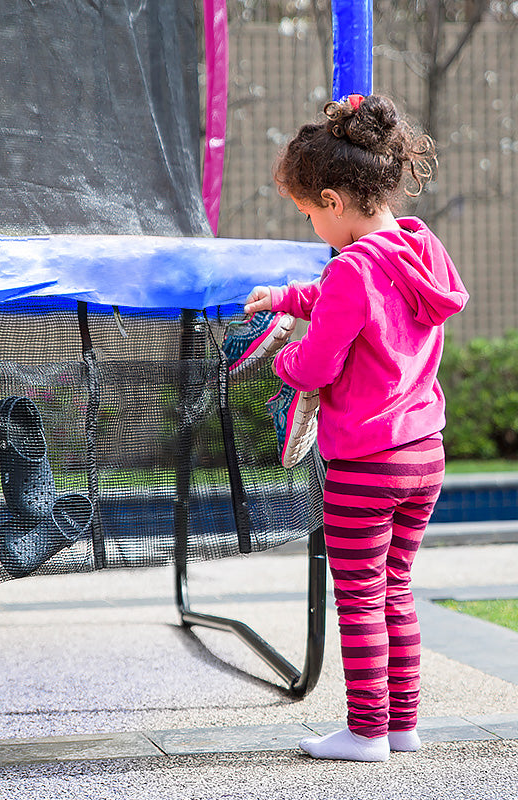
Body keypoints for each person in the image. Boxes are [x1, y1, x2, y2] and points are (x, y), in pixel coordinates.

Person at [238, 94, 469, 761]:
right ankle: (402, 726)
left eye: (308, 213)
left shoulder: (349, 271)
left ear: (334, 201)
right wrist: (288, 296)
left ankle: (365, 732)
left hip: (366, 461)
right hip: (424, 452)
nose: (310, 224)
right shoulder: (416, 248)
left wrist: (281, 357)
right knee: (396, 590)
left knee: (360, 598)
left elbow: (316, 362)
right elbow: (363, 300)